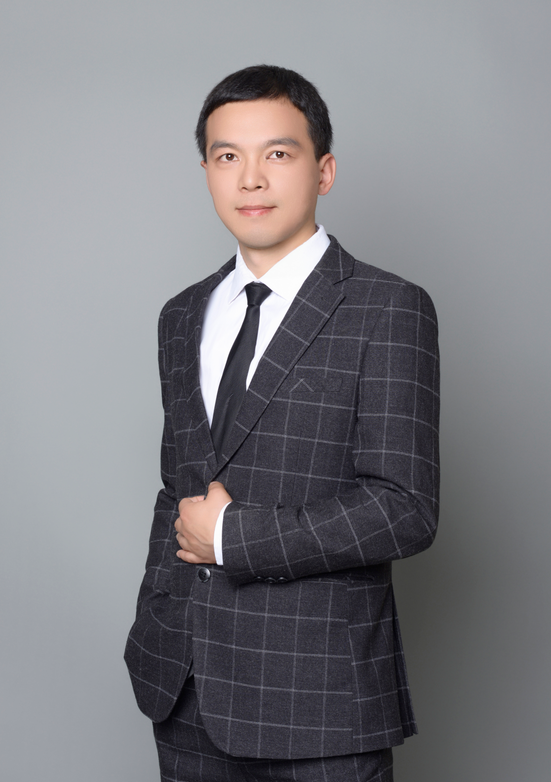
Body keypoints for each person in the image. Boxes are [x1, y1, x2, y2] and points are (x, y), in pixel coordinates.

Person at [125, 64, 440, 782]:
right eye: (226, 156)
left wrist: (233, 538)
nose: (250, 179)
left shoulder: (387, 308)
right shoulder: (181, 315)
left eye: (277, 153)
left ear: (323, 171)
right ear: (206, 172)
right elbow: (179, 487)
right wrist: (156, 622)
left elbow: (405, 508)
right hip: (183, 686)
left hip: (319, 699)